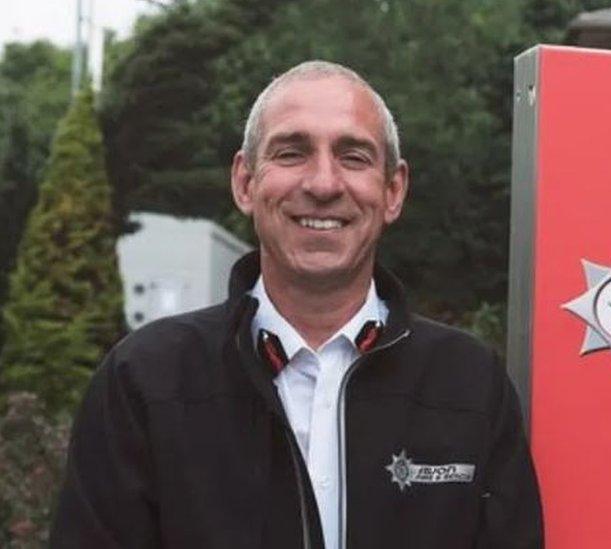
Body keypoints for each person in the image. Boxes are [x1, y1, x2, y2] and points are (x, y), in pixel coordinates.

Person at [51, 60, 543, 549]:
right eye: (291, 153)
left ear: (393, 191)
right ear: (246, 183)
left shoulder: (469, 382)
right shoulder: (143, 380)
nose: (323, 184)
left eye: (353, 157)